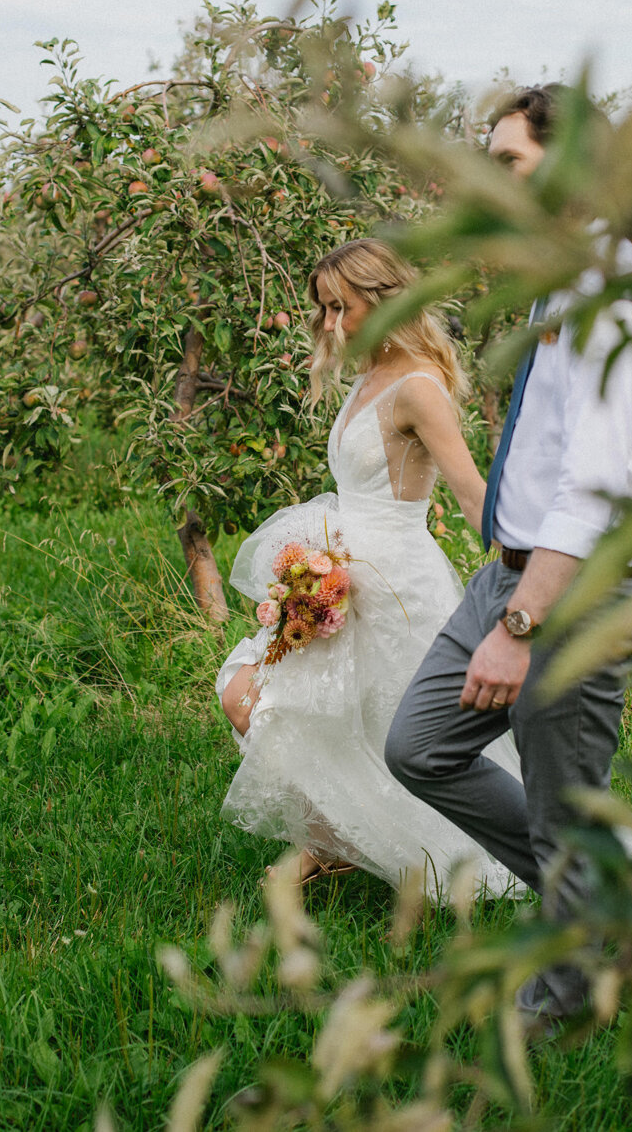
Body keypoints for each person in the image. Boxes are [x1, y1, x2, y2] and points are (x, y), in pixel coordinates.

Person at [383, 84, 632, 1027]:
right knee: (421, 745)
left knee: (564, 810)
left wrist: (520, 621)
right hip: (512, 566)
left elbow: (597, 480)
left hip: (568, 587)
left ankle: (569, 1003)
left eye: (508, 160)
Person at [214, 238, 522, 895]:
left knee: (379, 731)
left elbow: (472, 493)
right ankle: (341, 844)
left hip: (395, 587)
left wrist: (525, 582)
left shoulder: (417, 388)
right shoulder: (366, 377)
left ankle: (373, 851)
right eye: (323, 310)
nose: (330, 324)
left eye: (339, 308)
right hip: (339, 577)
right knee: (254, 698)